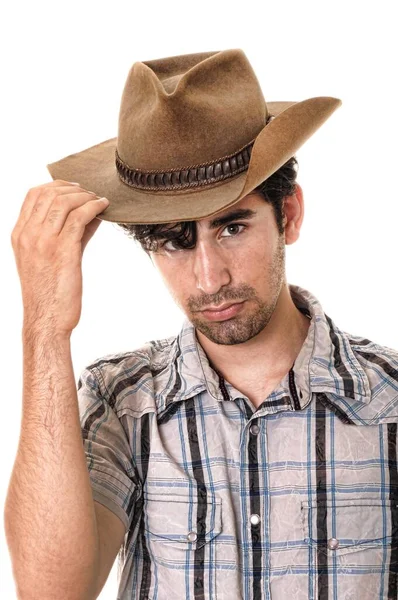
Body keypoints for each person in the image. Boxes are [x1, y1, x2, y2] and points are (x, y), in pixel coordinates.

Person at [5, 49, 397, 600]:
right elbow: (51, 593)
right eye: (174, 241)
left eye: (232, 228)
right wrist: (44, 330)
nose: (209, 278)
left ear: (289, 215)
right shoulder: (122, 399)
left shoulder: (392, 399)